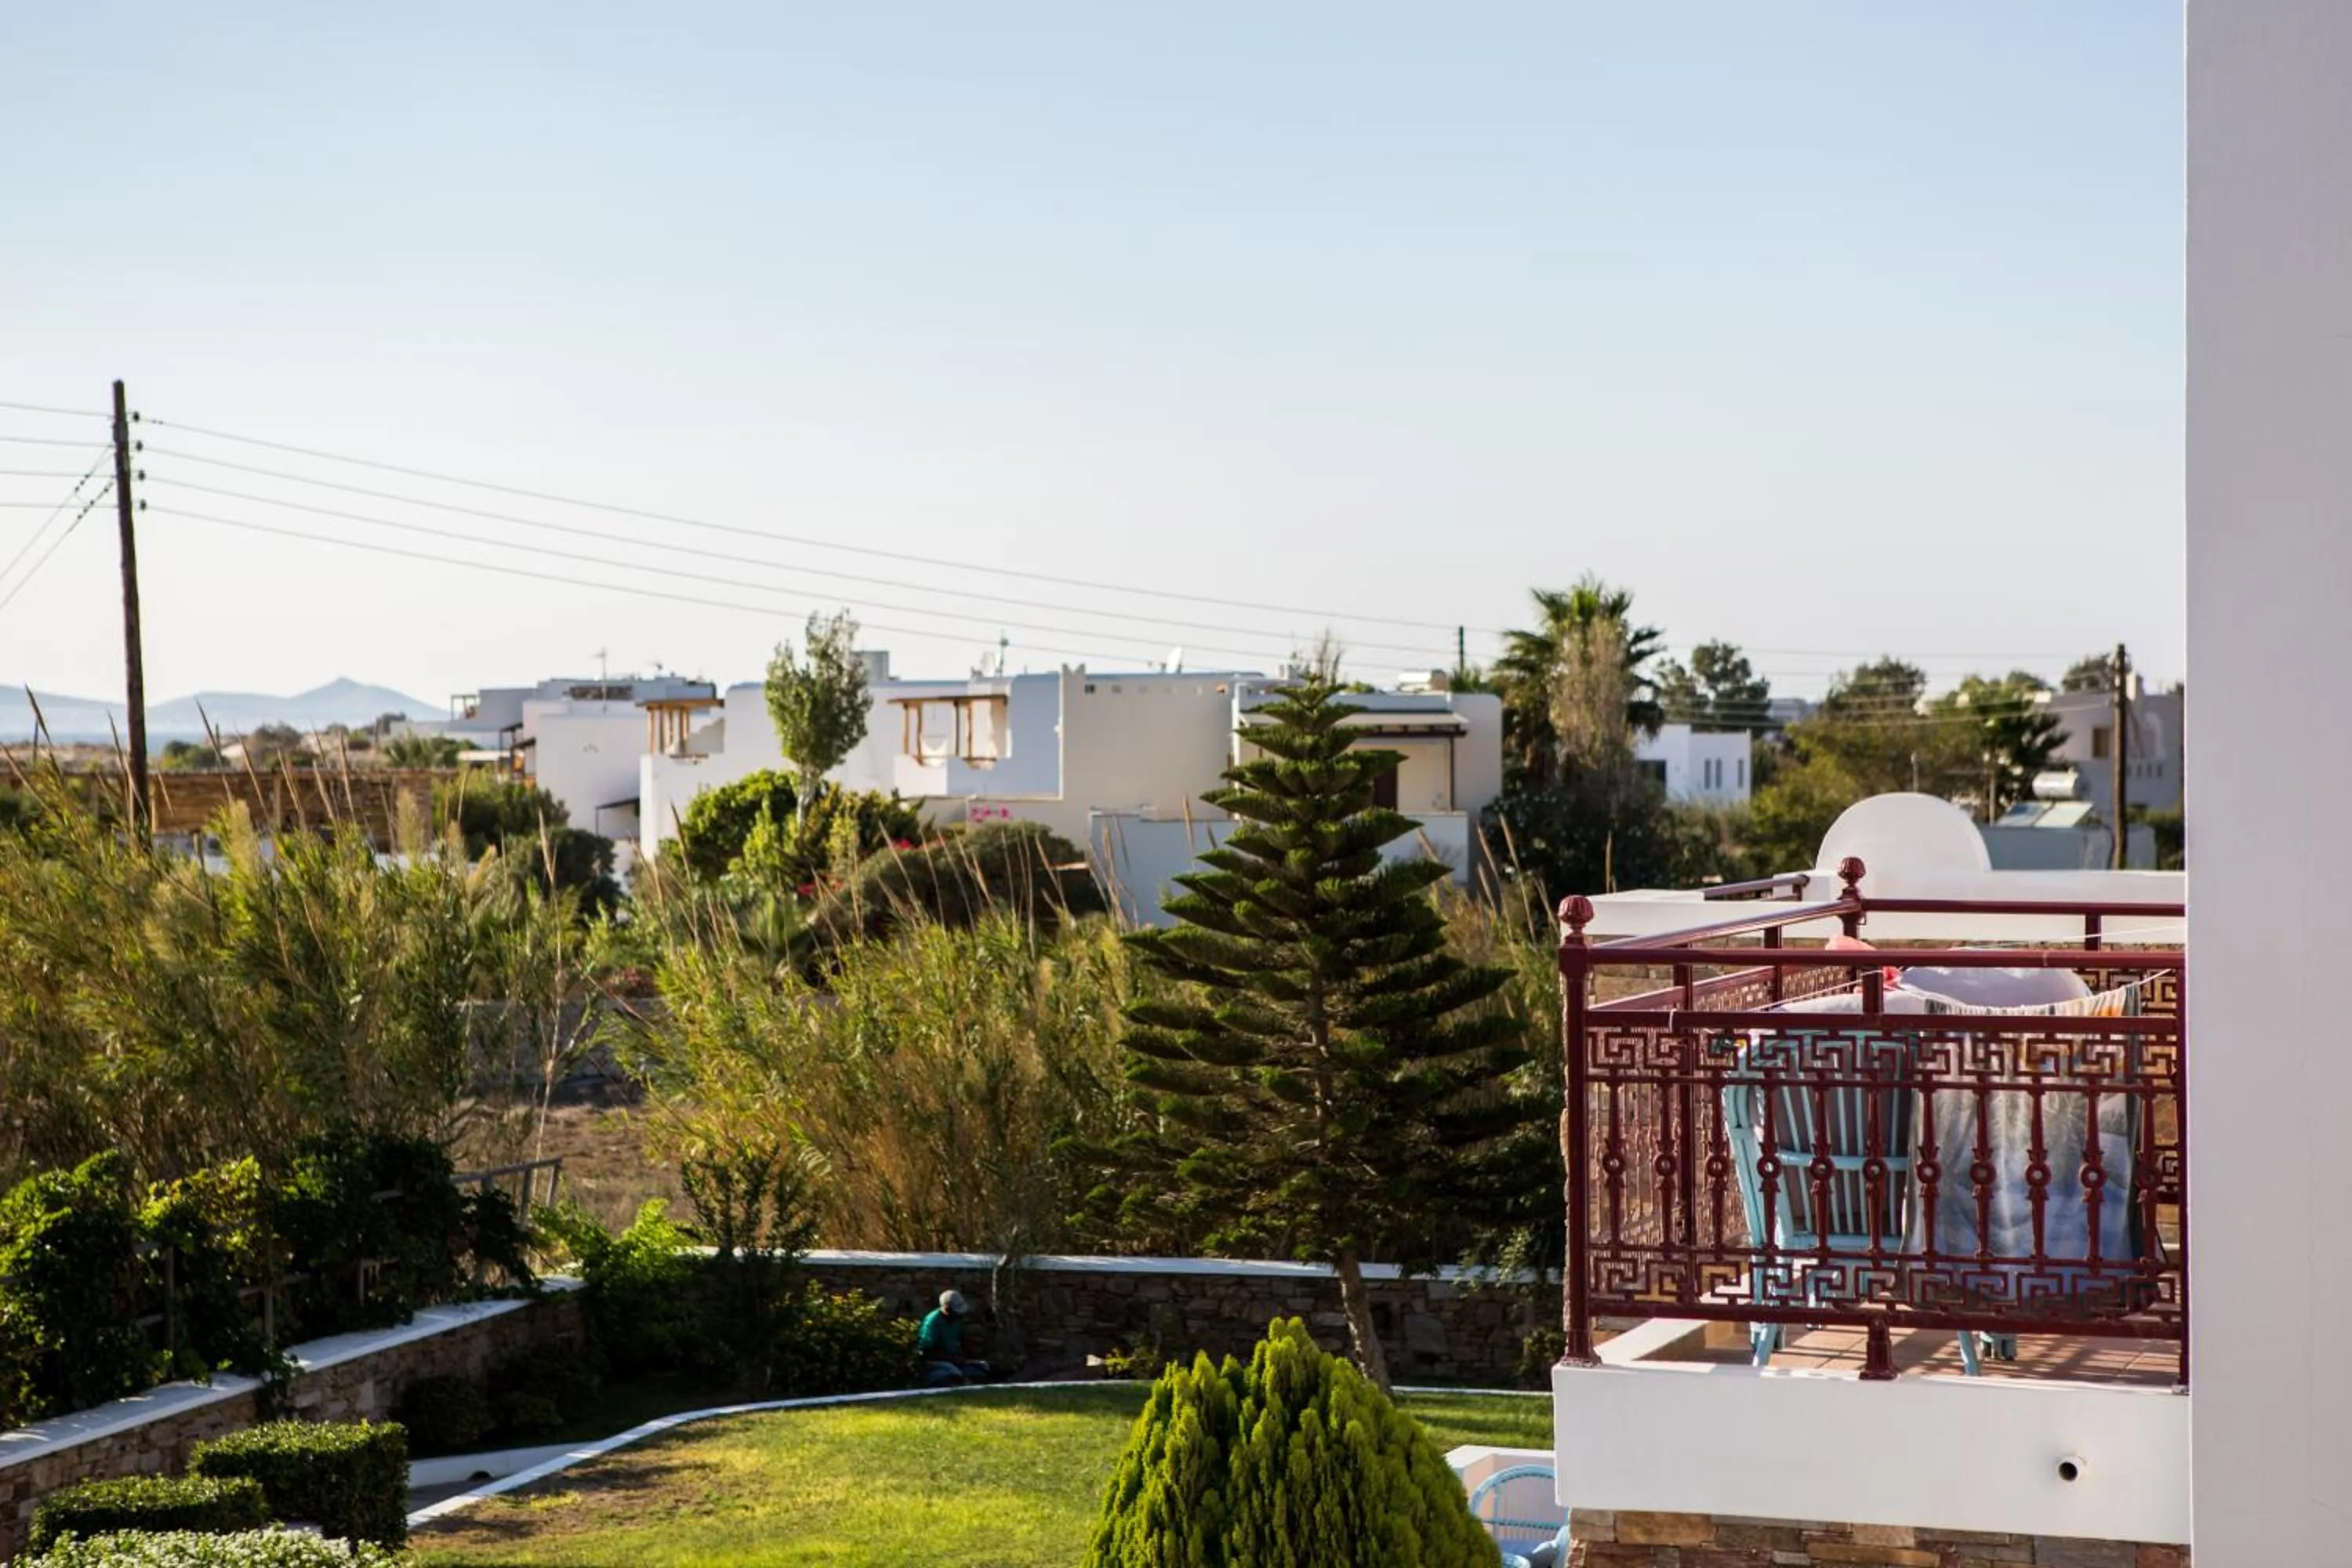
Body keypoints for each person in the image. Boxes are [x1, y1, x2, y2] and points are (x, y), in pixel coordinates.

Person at [917, 1290, 989, 1386]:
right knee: (952, 1374)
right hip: (936, 1362)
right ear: (946, 1308)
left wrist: (969, 1357)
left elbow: (962, 1339)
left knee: (982, 1367)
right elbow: (927, 1351)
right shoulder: (933, 1322)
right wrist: (950, 1359)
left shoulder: (956, 1320)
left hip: (954, 1360)